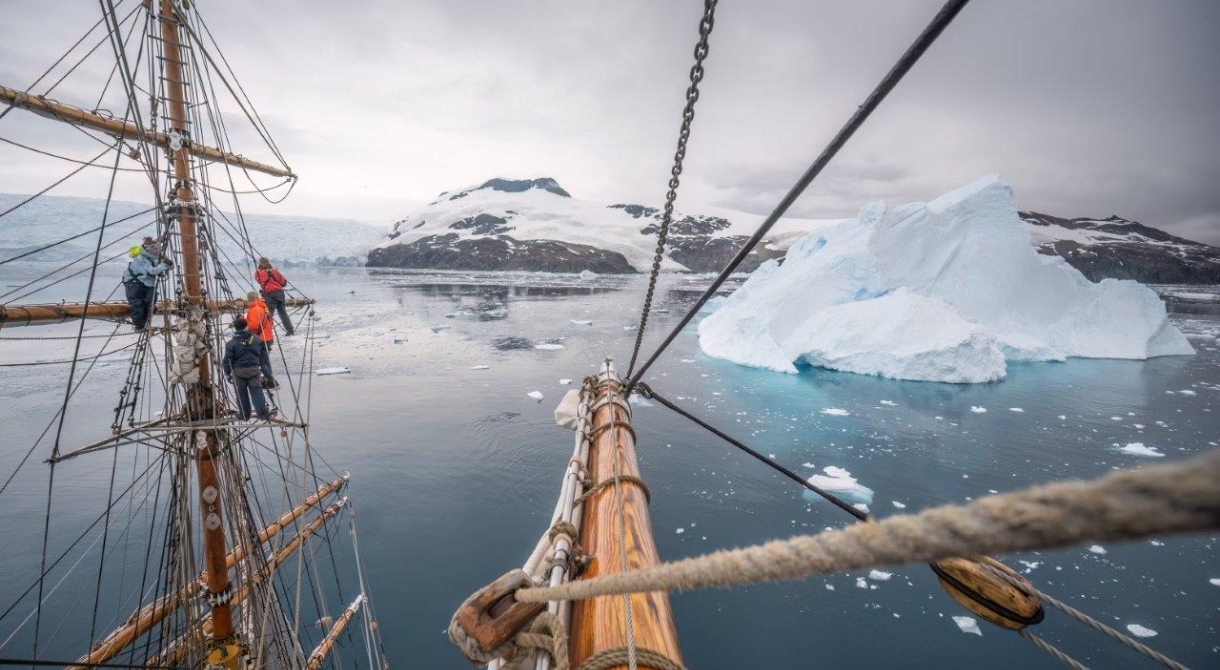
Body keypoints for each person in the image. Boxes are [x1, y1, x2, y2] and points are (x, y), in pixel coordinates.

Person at [222, 317, 272, 421]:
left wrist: (227, 374)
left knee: (241, 394)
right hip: (254, 370)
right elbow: (262, 355)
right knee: (257, 392)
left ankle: (244, 415)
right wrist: (262, 367)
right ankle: (262, 414)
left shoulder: (231, 344)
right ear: (246, 326)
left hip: (238, 372)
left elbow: (227, 361)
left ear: (235, 328)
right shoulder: (256, 339)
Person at [122, 237, 172, 331]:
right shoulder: (141, 258)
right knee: (137, 304)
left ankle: (144, 324)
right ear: (150, 249)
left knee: (150, 301)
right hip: (133, 283)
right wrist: (165, 264)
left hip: (146, 283)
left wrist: (167, 263)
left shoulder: (154, 257)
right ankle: (139, 326)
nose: (157, 251)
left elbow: (169, 266)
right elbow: (152, 271)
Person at [244, 290, 278, 389]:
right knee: (266, 361)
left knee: (261, 363)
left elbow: (253, 326)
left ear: (250, 300)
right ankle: (269, 380)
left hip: (261, 339)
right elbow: (270, 323)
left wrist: (245, 322)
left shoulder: (255, 309)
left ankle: (272, 381)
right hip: (268, 337)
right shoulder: (264, 307)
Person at [254, 257, 294, 336]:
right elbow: (284, 283)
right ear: (268, 262)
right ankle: (290, 331)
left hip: (269, 294)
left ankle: (266, 333)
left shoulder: (258, 272)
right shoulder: (275, 271)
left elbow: (259, 281)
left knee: (269, 314)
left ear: (260, 263)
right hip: (280, 293)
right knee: (283, 313)